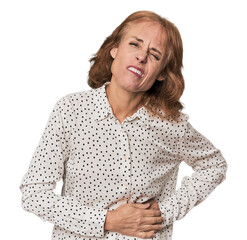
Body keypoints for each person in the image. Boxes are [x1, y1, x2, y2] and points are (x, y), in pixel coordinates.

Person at [19, 10, 227, 240]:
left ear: (162, 73)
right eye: (135, 44)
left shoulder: (171, 125)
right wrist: (108, 221)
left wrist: (165, 212)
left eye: (155, 55)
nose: (141, 57)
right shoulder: (71, 110)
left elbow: (214, 165)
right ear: (114, 49)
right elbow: (34, 194)